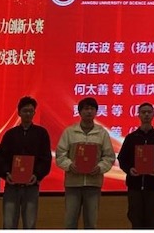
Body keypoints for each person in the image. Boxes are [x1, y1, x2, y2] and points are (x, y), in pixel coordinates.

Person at [55, 97, 115, 229]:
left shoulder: (102, 133)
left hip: (93, 184)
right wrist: (69, 165)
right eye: (86, 109)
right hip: (73, 184)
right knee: (70, 222)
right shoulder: (69, 132)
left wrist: (100, 168)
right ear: (80, 111)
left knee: (91, 223)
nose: (89, 111)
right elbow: (60, 155)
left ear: (96, 112)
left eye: (92, 109)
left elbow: (109, 157)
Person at [0, 96, 52, 229]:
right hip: (12, 186)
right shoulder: (10, 134)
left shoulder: (41, 133)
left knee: (30, 224)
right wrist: (6, 174)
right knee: (9, 224)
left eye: (30, 111)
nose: (28, 114)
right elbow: (1, 158)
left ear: (34, 113)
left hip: (32, 186)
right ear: (19, 112)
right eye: (25, 111)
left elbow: (46, 159)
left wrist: (37, 175)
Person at [117, 102, 154, 229]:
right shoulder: (131, 138)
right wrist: (129, 169)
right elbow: (122, 159)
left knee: (153, 219)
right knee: (135, 218)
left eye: (149, 112)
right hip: (134, 186)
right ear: (138, 115)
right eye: (143, 112)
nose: (146, 115)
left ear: (153, 114)